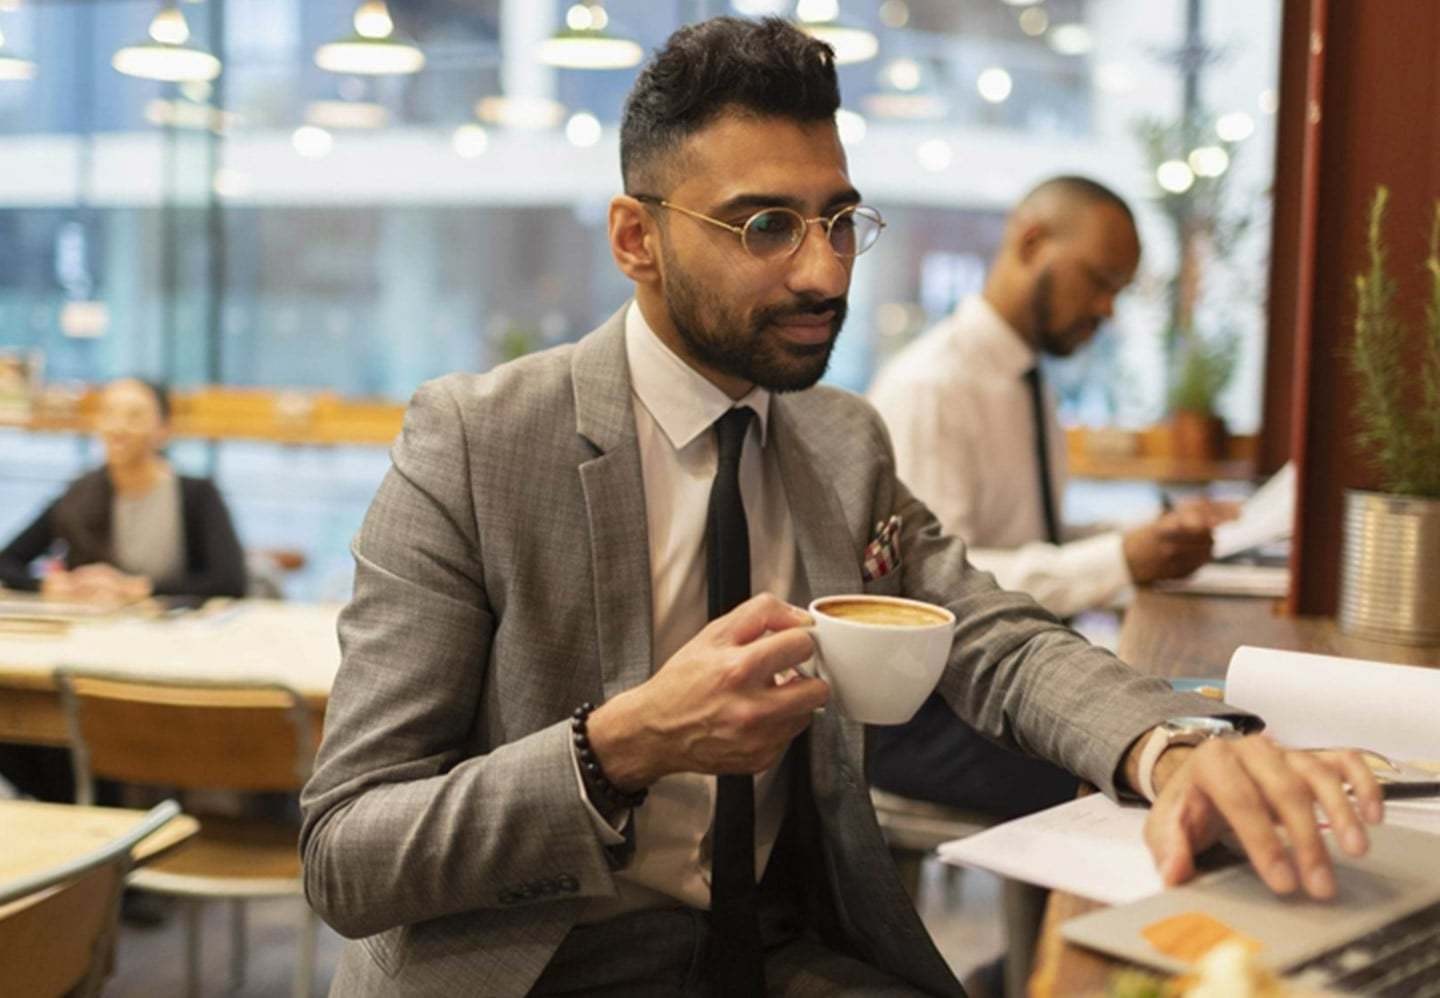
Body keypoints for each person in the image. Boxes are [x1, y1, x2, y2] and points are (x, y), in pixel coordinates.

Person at [300, 18, 1382, 998]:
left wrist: (1169, 743)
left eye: (836, 219)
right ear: (637, 239)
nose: (823, 271)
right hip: (541, 965)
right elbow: (346, 850)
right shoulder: (476, 442)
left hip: (771, 945)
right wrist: (619, 744)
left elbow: (989, 632)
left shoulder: (837, 437)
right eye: (765, 225)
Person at [867, 178, 1233, 818]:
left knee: (1204, 722)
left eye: (1118, 292)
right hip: (933, 706)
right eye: (1098, 280)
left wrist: (1145, 537)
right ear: (1030, 241)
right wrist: (1120, 560)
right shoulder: (932, 387)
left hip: (1017, 679)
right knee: (1131, 779)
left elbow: (1030, 536)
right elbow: (937, 593)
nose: (1107, 309)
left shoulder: (1028, 382)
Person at [0, 377, 247, 603]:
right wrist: (49, 585)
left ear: (164, 429)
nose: (119, 427)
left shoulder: (197, 495)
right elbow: (7, 562)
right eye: (109, 413)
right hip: (91, 630)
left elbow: (229, 581)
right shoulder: (80, 492)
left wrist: (142, 588)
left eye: (135, 416)